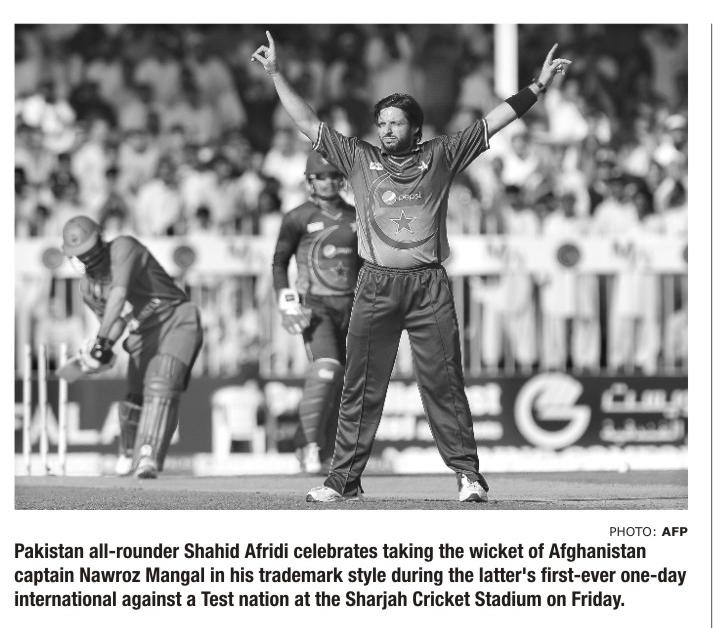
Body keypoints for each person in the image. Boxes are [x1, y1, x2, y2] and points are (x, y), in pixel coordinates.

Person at [252, 31, 571, 503]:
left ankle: (468, 475)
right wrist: (277, 74)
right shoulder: (358, 158)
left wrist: (537, 88)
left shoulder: (441, 155)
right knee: (361, 386)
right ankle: (344, 480)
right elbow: (307, 122)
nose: (386, 130)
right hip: (375, 285)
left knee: (444, 382)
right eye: (381, 123)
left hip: (428, 287)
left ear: (415, 129)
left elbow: (494, 121)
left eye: (396, 123)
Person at [61, 215, 203, 478]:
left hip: (175, 318)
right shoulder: (88, 287)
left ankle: (147, 457)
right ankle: (128, 452)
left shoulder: (123, 247)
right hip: (141, 335)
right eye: (81, 254)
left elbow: (119, 294)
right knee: (134, 399)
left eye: (90, 250)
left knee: (162, 381)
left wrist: (100, 340)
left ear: (100, 239)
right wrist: (102, 350)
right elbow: (115, 321)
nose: (88, 257)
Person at [272, 151, 359, 474]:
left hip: (352, 306)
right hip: (316, 306)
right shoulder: (298, 217)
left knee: (345, 382)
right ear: (310, 181)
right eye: (321, 177)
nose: (328, 182)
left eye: (334, 176)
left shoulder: (356, 215)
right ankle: (307, 444)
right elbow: (279, 263)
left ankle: (329, 451)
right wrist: (287, 303)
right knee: (326, 370)